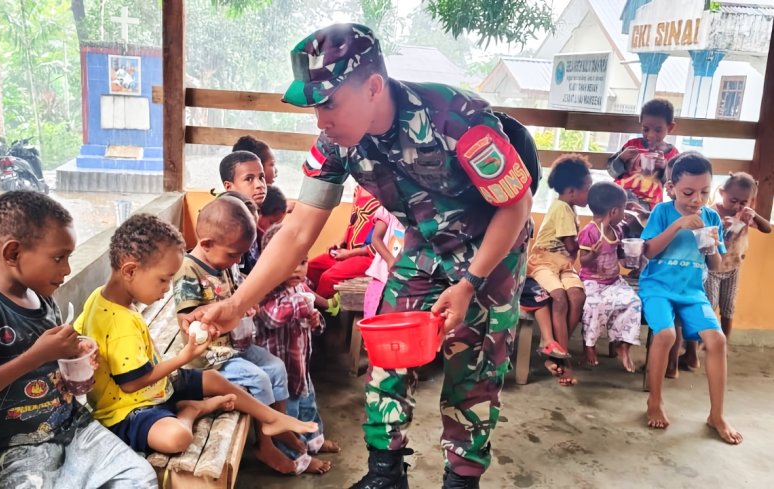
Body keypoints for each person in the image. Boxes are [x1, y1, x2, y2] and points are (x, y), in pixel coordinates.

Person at [186, 23, 536, 488]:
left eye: (329, 102)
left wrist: (470, 281)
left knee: (471, 378)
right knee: (387, 359)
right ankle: (385, 475)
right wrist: (234, 305)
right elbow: (296, 231)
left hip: (489, 260)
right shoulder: (336, 143)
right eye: (315, 106)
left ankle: (461, 480)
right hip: (423, 250)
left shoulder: (458, 119)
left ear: (373, 87)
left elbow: (516, 205)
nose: (320, 119)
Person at [0, 191, 157, 488]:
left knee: (140, 476)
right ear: (13, 253)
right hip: (16, 451)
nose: (67, 269)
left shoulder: (44, 300)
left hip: (74, 429)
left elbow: (53, 358)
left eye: (68, 257)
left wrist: (75, 351)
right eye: (59, 258)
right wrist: (38, 355)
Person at [74, 213, 317, 456]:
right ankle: (191, 411)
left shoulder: (100, 297)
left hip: (157, 387)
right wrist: (185, 356)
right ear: (129, 270)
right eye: (163, 279)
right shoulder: (119, 324)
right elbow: (131, 384)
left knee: (213, 378)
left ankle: (271, 417)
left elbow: (79, 336)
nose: (166, 289)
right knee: (177, 438)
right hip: (129, 408)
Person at [172, 197, 320, 474]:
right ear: (206, 244)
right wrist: (207, 321)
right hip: (211, 359)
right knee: (259, 379)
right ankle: (265, 445)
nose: (238, 261)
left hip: (237, 346)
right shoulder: (188, 270)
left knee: (276, 367)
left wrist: (245, 305)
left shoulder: (224, 260)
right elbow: (186, 318)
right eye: (233, 255)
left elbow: (237, 296)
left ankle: (277, 423)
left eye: (242, 255)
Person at [640, 151, 742, 445]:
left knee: (718, 340)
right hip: (658, 287)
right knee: (666, 335)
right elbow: (648, 252)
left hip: (691, 291)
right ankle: (655, 401)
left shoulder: (710, 216)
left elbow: (716, 266)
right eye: (688, 192)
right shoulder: (662, 212)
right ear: (671, 187)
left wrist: (710, 246)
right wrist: (677, 226)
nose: (697, 199)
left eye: (704, 192)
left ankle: (717, 415)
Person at [255, 224, 342, 472]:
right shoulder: (265, 290)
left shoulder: (302, 287)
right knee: (289, 416)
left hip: (301, 366)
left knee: (308, 407)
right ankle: (297, 458)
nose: (297, 268)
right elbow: (272, 317)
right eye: (289, 262)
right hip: (280, 376)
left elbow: (313, 322)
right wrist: (302, 305)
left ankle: (314, 442)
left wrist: (316, 321)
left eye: (302, 261)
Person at [680, 172, 773, 369]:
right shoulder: (713, 213)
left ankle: (723, 347)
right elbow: (708, 240)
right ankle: (692, 352)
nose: (737, 206)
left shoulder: (745, 215)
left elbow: (767, 229)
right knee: (707, 308)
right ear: (722, 192)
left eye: (743, 202)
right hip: (712, 269)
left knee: (728, 309)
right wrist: (724, 227)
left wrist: (753, 215)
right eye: (733, 200)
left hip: (733, 268)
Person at [527, 154, 591, 385]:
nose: (590, 193)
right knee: (560, 297)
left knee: (577, 295)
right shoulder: (562, 207)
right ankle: (565, 363)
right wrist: (593, 241)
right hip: (543, 261)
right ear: (572, 191)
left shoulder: (570, 208)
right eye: (587, 189)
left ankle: (555, 348)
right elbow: (571, 245)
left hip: (563, 265)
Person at [577, 181, 642, 372]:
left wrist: (632, 258)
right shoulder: (589, 232)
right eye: (623, 209)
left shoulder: (619, 230)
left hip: (614, 281)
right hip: (592, 282)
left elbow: (620, 258)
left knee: (633, 303)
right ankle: (589, 345)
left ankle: (623, 344)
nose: (624, 214)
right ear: (614, 211)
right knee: (594, 307)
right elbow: (583, 262)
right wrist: (593, 255)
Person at [306, 185, 380, 298]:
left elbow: (384, 242)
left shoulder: (388, 196)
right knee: (311, 268)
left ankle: (323, 312)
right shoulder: (358, 189)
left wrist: (349, 253)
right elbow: (353, 222)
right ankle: (303, 306)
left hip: (371, 257)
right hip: (348, 251)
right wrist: (341, 242)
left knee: (329, 278)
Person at [608, 98, 680, 210]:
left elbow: (674, 185)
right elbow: (612, 172)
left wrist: (664, 167)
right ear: (641, 123)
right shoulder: (632, 145)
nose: (650, 135)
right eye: (645, 129)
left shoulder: (672, 154)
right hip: (620, 194)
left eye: (657, 130)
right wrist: (621, 158)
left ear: (669, 127)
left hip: (649, 203)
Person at [363, 205, 405, 319]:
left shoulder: (421, 212)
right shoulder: (387, 209)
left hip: (406, 280)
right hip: (382, 278)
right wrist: (390, 260)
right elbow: (376, 238)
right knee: (373, 319)